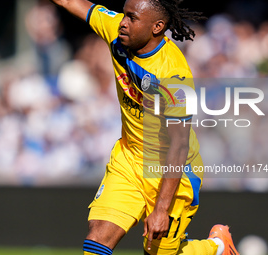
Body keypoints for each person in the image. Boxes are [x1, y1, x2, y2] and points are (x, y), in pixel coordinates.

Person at [49, 0, 239, 254]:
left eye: (132, 18)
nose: (123, 23)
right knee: (97, 239)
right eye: (124, 15)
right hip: (129, 159)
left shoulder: (174, 76)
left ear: (157, 26)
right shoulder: (117, 29)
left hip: (173, 172)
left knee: (159, 253)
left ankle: (217, 248)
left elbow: (179, 146)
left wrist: (161, 209)